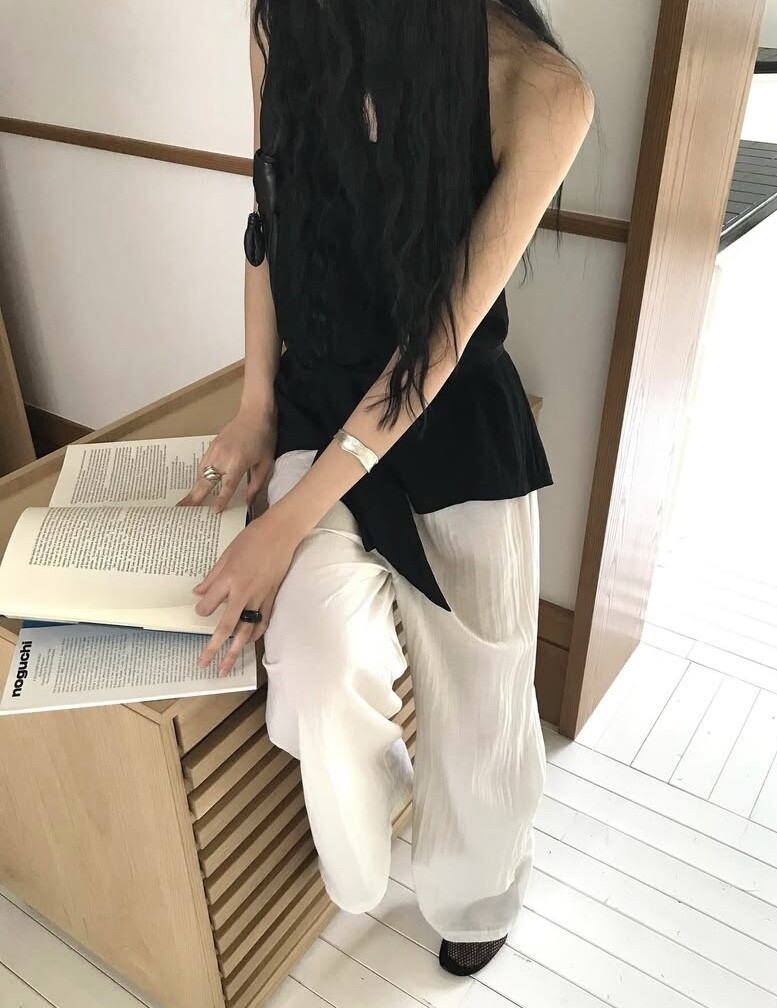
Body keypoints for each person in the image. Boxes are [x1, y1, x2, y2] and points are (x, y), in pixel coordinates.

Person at [179, 0, 593, 977]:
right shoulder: (282, 25)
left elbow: (434, 349)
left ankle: (475, 891)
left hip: (454, 415)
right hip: (319, 403)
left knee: (485, 700)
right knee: (315, 666)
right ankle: (369, 857)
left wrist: (287, 521)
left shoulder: (542, 92)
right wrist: (256, 403)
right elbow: (267, 218)